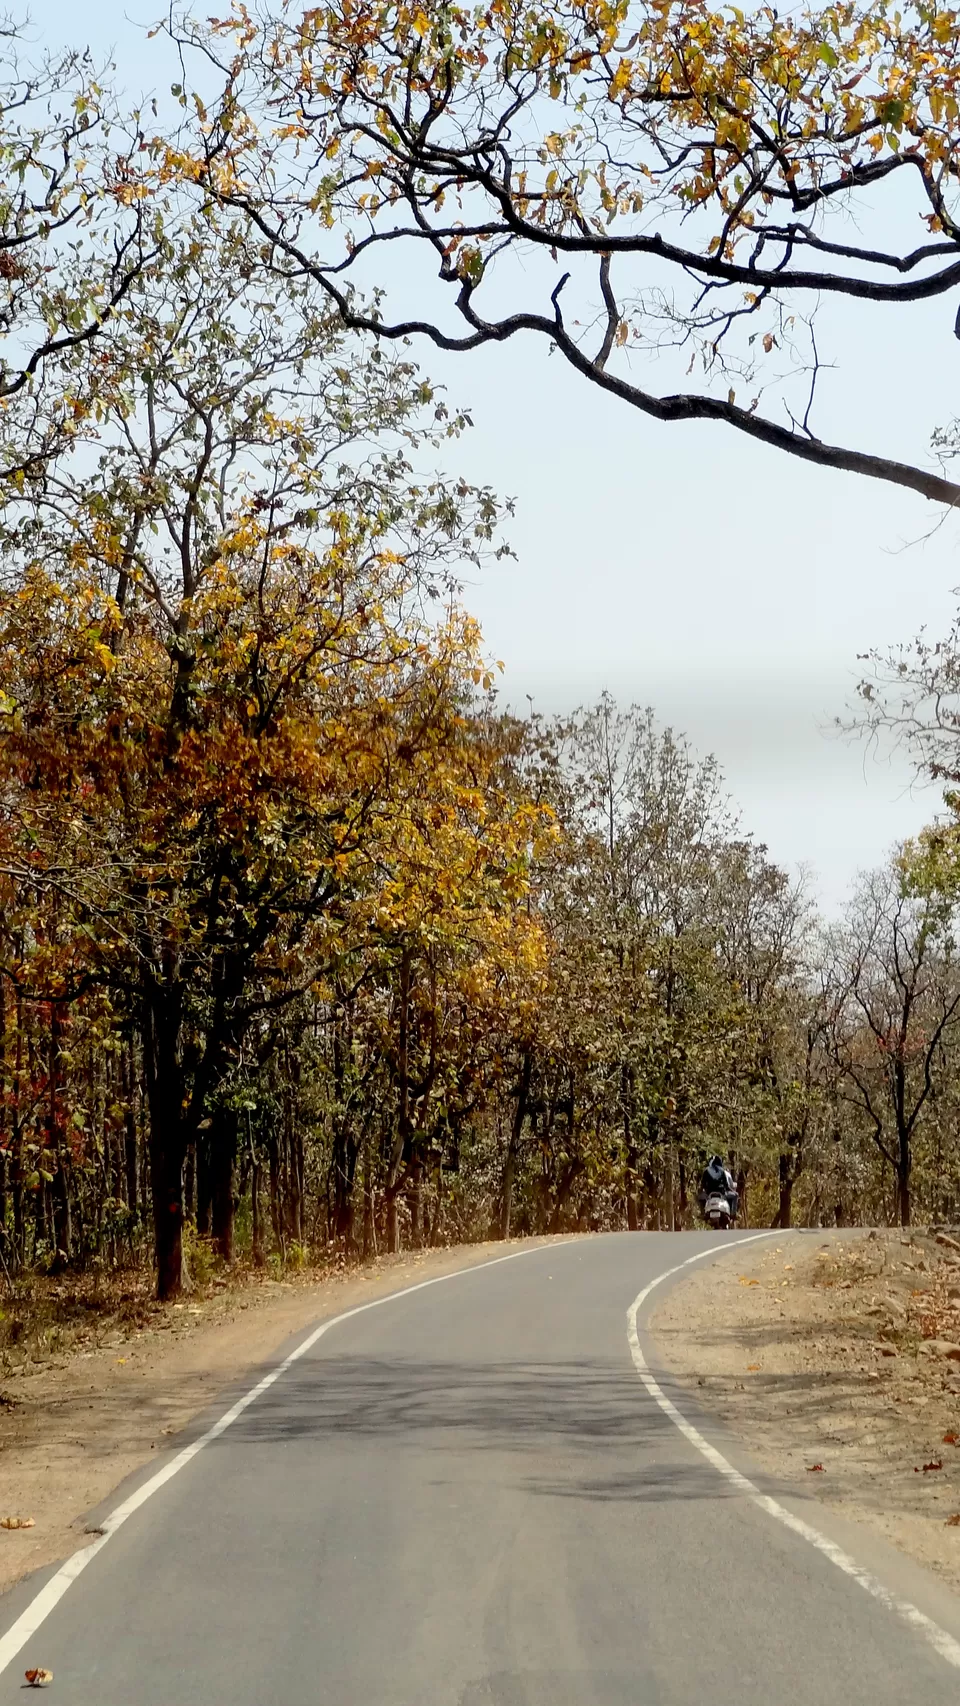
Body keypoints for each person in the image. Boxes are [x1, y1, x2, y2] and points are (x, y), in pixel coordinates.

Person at [698, 1154, 739, 1221]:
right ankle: (733, 1214)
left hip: (709, 1193)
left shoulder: (707, 1170)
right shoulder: (722, 1171)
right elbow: (726, 1185)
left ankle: (702, 1213)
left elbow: (703, 1184)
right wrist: (732, 1191)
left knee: (700, 1198)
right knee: (735, 1195)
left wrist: (702, 1191)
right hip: (721, 1193)